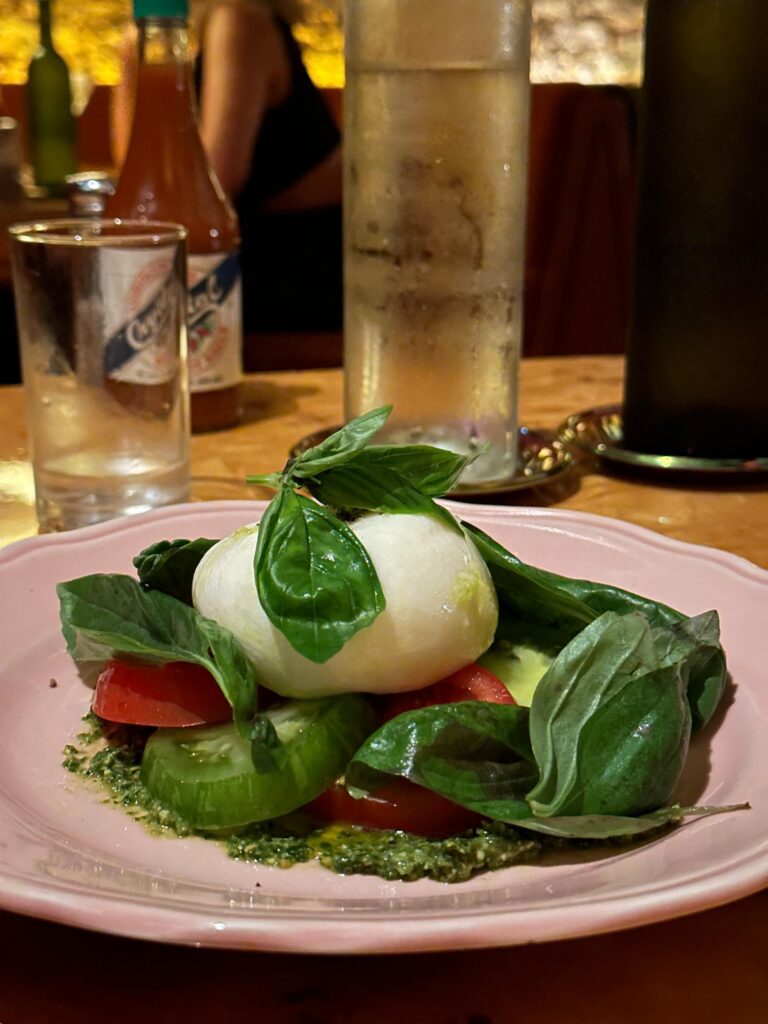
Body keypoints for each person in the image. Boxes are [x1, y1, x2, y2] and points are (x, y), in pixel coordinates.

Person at [114, 0, 343, 338]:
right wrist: (136, 58)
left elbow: (211, 188)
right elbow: (139, 182)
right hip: (247, 279)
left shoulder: (239, 21)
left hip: (286, 288)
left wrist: (138, 62)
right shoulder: (216, 29)